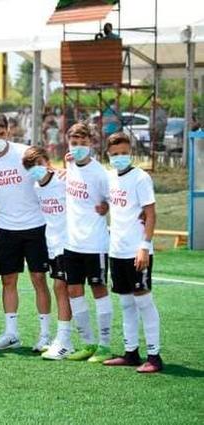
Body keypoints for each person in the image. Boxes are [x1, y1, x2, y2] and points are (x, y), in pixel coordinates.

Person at [0, 113, 52, 352]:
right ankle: (11, 334)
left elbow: (48, 177)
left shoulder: (25, 153)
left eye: (1, 134)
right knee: (8, 281)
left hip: (36, 226)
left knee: (39, 279)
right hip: (6, 228)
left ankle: (46, 335)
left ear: (9, 132)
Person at [102, 132, 163, 373]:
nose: (120, 158)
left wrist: (144, 248)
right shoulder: (109, 178)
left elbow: (150, 213)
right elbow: (115, 203)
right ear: (108, 155)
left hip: (137, 251)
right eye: (115, 154)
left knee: (144, 302)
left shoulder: (141, 178)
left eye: (124, 153)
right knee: (126, 303)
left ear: (131, 153)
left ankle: (155, 356)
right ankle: (130, 353)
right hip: (116, 251)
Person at [63, 122, 114, 363]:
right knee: (73, 290)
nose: (79, 147)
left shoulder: (100, 173)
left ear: (91, 144)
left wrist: (105, 207)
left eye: (83, 143)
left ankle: (104, 345)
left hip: (95, 243)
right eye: (75, 143)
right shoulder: (69, 163)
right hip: (71, 243)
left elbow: (112, 200)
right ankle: (87, 343)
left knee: (99, 290)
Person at [22, 146, 73, 360]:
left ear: (47, 162)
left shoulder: (63, 180)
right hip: (51, 244)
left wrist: (71, 170)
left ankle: (64, 341)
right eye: (31, 167)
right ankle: (61, 339)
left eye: (39, 163)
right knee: (59, 288)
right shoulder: (36, 186)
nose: (37, 169)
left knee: (62, 287)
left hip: (69, 244)